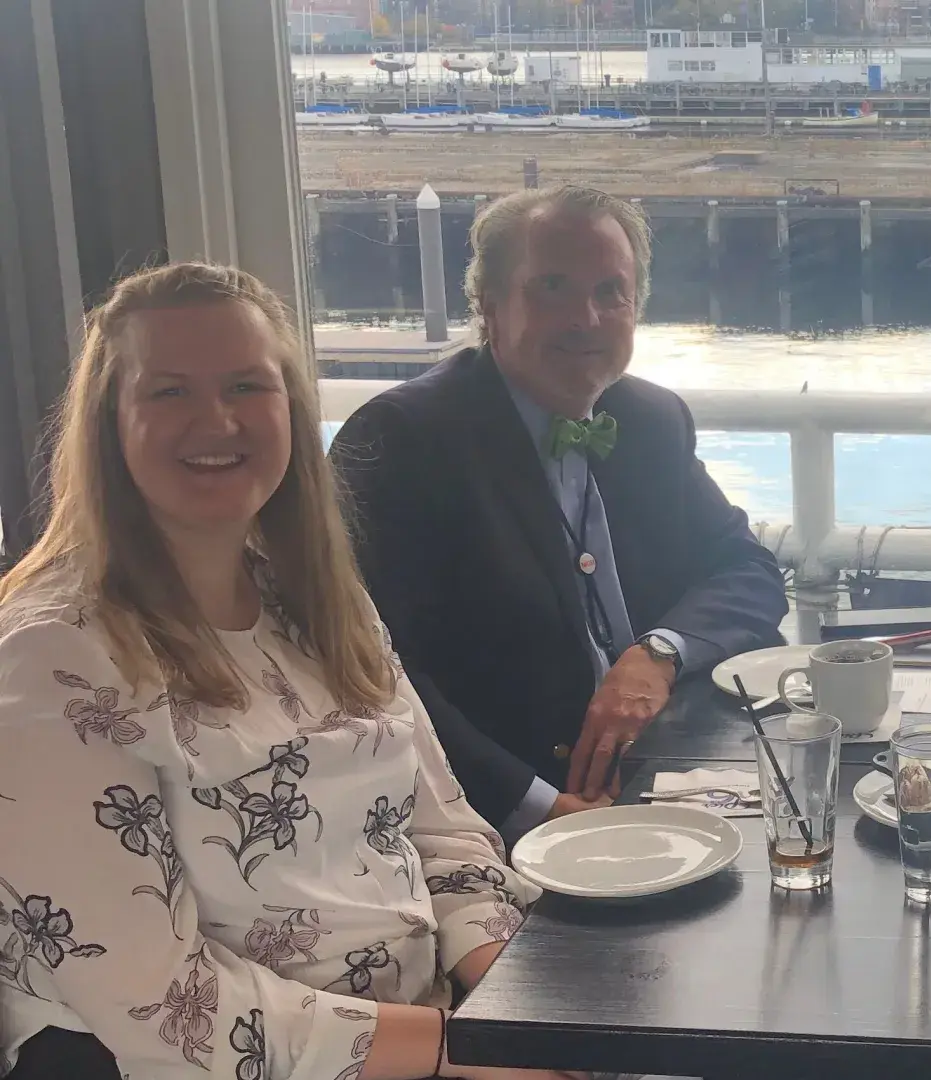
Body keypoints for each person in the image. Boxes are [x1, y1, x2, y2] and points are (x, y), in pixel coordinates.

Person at [0, 263, 569, 1080]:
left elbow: (444, 834)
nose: (217, 420)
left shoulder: (315, 601)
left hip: (432, 1029)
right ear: (108, 425)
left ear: (291, 412)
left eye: (246, 386)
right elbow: (163, 1009)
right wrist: (465, 1052)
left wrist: (521, 1007)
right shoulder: (52, 659)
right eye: (169, 392)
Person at [332, 185, 787, 838]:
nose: (586, 318)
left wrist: (657, 654)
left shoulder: (651, 419)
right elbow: (375, 673)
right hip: (494, 817)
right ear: (489, 305)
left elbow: (747, 569)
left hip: (674, 773)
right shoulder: (402, 440)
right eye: (552, 288)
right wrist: (541, 809)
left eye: (610, 292)